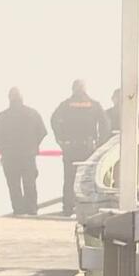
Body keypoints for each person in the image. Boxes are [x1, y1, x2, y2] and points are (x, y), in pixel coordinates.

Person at [51, 80, 110, 217]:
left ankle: (67, 209)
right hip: (88, 148)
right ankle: (88, 210)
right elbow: (105, 124)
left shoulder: (65, 105)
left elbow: (54, 120)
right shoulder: (94, 105)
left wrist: (61, 140)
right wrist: (100, 143)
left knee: (69, 179)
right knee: (88, 180)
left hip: (70, 147)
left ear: (73, 89)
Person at [0, 88, 47, 216]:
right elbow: (42, 132)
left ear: (9, 98)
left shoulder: (3, 116)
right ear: (22, 98)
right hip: (28, 156)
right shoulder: (32, 113)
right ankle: (32, 211)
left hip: (10, 157)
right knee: (30, 184)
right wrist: (34, 145)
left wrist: (3, 150)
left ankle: (19, 211)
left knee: (14, 186)